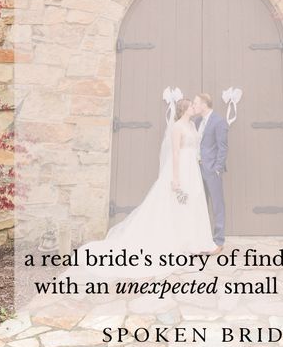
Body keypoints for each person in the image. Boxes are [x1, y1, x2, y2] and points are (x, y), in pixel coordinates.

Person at [68, 98, 216, 282]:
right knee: (177, 202)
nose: (195, 107)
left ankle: (194, 240)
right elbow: (176, 152)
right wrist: (176, 178)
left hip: (192, 168)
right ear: (185, 109)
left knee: (192, 202)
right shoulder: (177, 127)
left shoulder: (193, 126)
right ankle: (179, 240)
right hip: (180, 168)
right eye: (192, 106)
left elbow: (195, 148)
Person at [193, 93, 229, 255]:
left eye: (195, 103)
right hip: (197, 169)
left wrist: (217, 168)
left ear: (204, 105)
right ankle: (203, 238)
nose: (194, 106)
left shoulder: (219, 121)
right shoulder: (197, 121)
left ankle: (218, 241)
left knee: (217, 205)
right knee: (200, 204)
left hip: (212, 170)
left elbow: (223, 147)